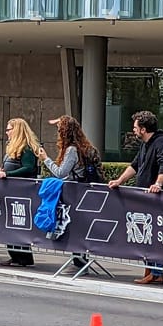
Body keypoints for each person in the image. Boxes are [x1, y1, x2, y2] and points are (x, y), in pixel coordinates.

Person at [108, 111, 163, 285]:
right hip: (144, 198)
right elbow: (135, 165)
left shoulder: (162, 143)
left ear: (143, 129)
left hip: (156, 199)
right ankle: (150, 270)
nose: (133, 130)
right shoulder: (145, 144)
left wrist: (158, 184)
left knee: (155, 235)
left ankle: (156, 272)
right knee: (146, 235)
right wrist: (119, 180)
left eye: (135, 127)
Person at [37, 115, 100, 271]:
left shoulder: (72, 149)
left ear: (64, 132)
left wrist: (45, 159)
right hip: (83, 192)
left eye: (59, 130)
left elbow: (60, 172)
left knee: (77, 227)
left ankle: (79, 264)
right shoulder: (83, 147)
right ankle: (79, 262)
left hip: (76, 193)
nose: (57, 133)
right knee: (80, 226)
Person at [0, 118, 41, 266]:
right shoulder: (12, 147)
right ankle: (16, 256)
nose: (7, 132)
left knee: (18, 224)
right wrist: (3, 170)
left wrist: (7, 175)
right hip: (10, 193)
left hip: (21, 194)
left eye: (9, 129)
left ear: (16, 131)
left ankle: (23, 257)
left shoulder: (27, 149)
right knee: (10, 224)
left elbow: (29, 168)